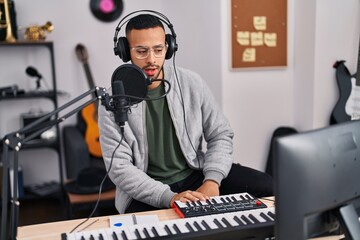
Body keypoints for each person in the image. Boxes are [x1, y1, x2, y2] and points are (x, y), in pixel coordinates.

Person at [98, 12, 273, 214]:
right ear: (125, 52)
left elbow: (220, 134)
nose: (151, 59)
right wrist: (170, 197)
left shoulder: (191, 83)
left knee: (268, 187)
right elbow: (119, 167)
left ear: (169, 47)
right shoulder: (112, 100)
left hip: (195, 172)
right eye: (141, 51)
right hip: (147, 187)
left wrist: (212, 180)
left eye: (158, 49)